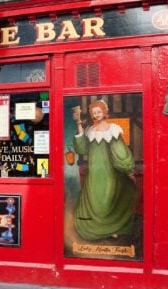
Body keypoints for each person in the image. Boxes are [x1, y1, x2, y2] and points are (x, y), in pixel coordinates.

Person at [72, 100, 136, 241]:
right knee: (95, 200)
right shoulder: (90, 130)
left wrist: (128, 168)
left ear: (105, 112)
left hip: (110, 172)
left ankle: (112, 229)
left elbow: (121, 152)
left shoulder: (112, 129)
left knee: (107, 199)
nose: (97, 115)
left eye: (99, 112)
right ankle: (97, 230)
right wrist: (79, 124)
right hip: (94, 173)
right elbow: (82, 149)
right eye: (94, 112)